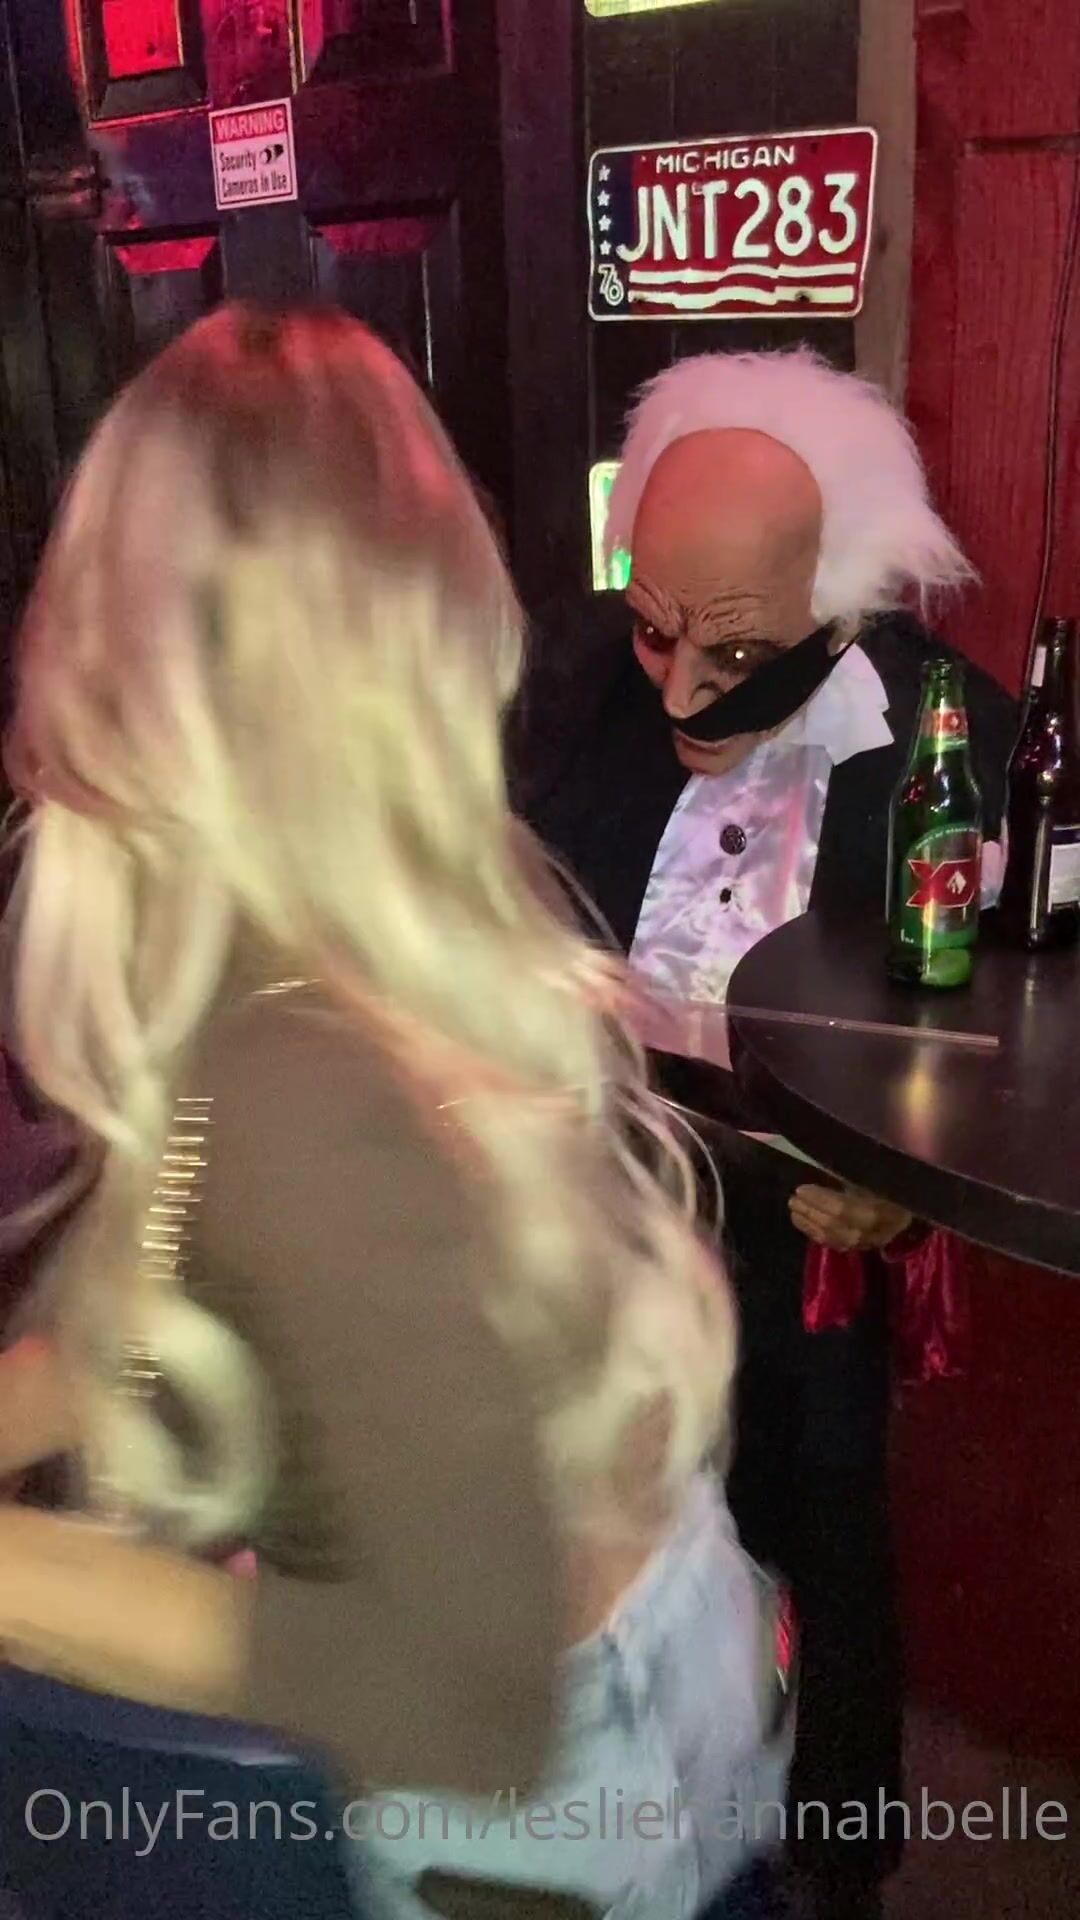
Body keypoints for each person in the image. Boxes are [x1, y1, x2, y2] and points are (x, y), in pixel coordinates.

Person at [0, 305, 787, 1920]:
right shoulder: (393, 948)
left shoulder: (291, 1083)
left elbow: (466, 1700)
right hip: (672, 1670)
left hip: (547, 1813)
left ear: (110, 658)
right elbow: (151, 1299)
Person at [508, 349, 1017, 1920]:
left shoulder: (952, 745)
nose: (675, 691)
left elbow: (1020, 1029)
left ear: (839, 609)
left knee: (828, 1520)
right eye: (654, 628)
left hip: (808, 1226)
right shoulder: (582, 692)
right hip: (604, 1198)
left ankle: (841, 1851)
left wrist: (909, 1184)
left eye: (730, 650)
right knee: (622, 1532)